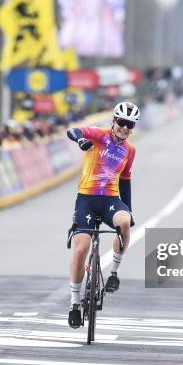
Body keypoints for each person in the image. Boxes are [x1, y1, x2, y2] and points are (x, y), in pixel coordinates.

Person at [65, 101, 139, 328]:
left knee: (125, 222)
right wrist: (80, 140)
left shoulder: (130, 151)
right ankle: (75, 304)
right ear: (114, 121)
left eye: (130, 125)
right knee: (80, 249)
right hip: (86, 199)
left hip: (110, 199)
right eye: (122, 122)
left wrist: (128, 208)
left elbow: (125, 182)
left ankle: (114, 272)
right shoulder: (98, 136)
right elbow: (73, 130)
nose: (125, 128)